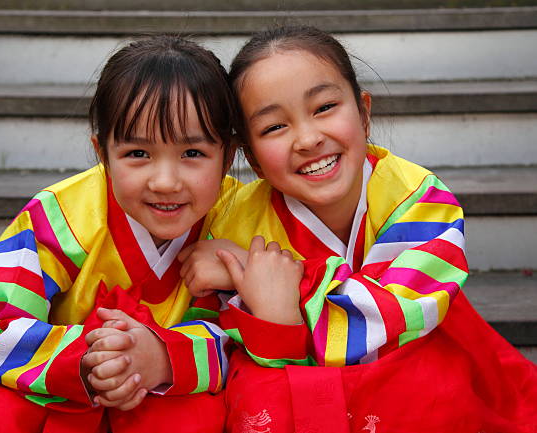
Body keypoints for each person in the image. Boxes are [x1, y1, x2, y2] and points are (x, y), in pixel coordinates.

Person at [180, 26, 537, 433]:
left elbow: (387, 318)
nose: (309, 138)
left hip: (413, 353)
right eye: (274, 128)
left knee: (425, 389)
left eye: (325, 107)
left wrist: (257, 274)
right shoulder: (236, 222)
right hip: (299, 374)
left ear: (364, 113)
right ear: (252, 158)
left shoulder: (417, 197)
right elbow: (220, 334)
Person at [0, 35, 240, 433]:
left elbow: (245, 334)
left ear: (228, 155)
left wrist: (162, 358)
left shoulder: (235, 215)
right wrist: (84, 358)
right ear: (103, 154)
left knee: (196, 418)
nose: (166, 182)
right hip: (52, 378)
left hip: (168, 387)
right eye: (138, 153)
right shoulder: (62, 215)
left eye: (193, 154)